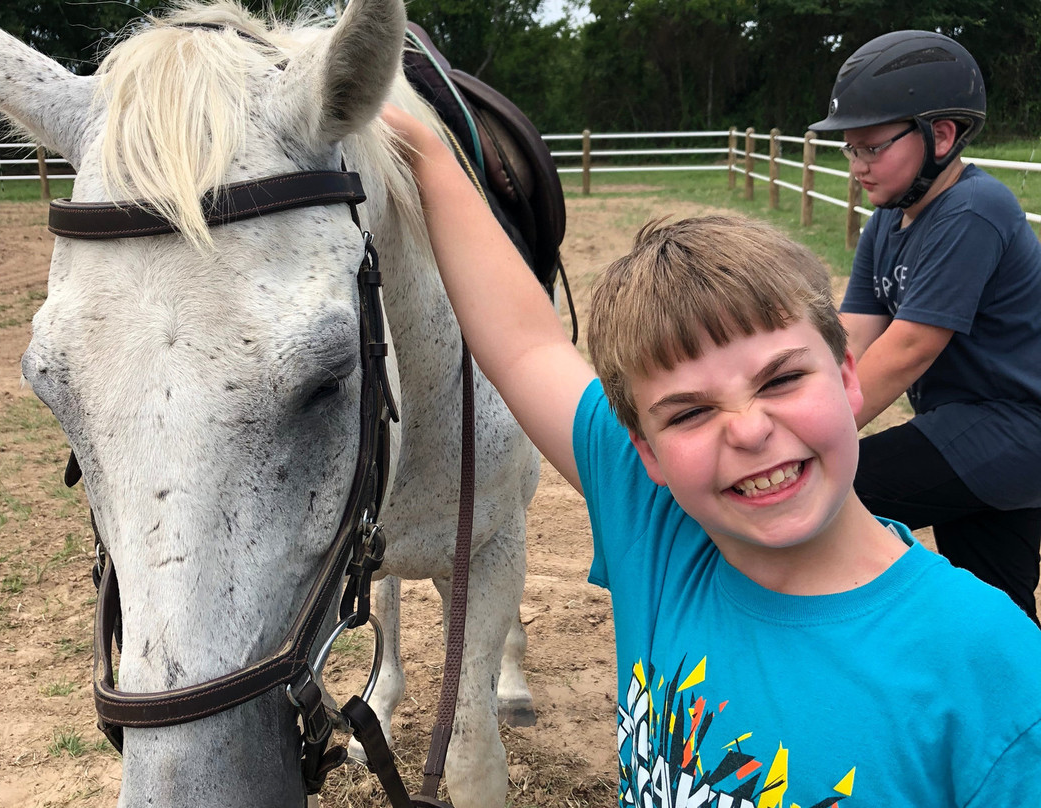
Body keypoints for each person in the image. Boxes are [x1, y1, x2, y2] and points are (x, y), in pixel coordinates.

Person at [381, 104, 1041, 805]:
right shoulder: (659, 528)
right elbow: (524, 344)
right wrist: (421, 145)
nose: (748, 431)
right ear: (646, 453)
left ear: (849, 376)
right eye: (690, 413)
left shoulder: (995, 670)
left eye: (781, 380)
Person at [808, 30, 1041, 625]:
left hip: (1010, 427)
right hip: (965, 431)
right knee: (1001, 613)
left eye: (872, 147)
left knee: (821, 496)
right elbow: (850, 335)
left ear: (939, 136)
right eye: (850, 150)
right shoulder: (887, 222)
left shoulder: (974, 209)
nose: (858, 166)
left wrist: (810, 435)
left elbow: (909, 347)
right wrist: (799, 390)